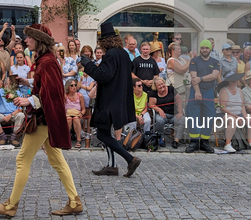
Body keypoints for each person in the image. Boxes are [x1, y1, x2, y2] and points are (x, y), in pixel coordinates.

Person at [0, 24, 83, 217]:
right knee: (57, 160)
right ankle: (74, 201)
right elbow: (46, 84)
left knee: (22, 159)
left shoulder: (46, 61)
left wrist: (28, 99)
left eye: (29, 37)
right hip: (45, 117)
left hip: (42, 118)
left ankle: (10, 206)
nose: (26, 41)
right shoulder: (45, 60)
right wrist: (27, 82)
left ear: (39, 40)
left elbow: (53, 92)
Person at [80, 23, 141, 178]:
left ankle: (130, 159)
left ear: (104, 41)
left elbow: (103, 76)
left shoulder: (111, 55)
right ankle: (112, 166)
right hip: (119, 100)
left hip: (109, 101)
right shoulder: (123, 54)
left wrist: (88, 64)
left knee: (102, 134)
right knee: (105, 133)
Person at [185, 40, 220, 154]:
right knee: (193, 117)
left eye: (207, 48)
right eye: (203, 48)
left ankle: (204, 142)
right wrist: (197, 91)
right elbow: (194, 77)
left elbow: (215, 75)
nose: (204, 50)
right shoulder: (194, 61)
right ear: (200, 49)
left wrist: (201, 78)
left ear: (210, 49)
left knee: (208, 117)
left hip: (209, 91)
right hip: (195, 91)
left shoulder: (215, 62)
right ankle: (194, 142)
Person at [217, 72, 251, 152]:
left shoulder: (239, 90)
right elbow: (222, 108)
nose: (237, 81)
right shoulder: (224, 90)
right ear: (230, 81)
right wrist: (236, 116)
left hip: (238, 114)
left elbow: (242, 105)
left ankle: (250, 142)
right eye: (234, 79)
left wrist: (244, 115)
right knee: (232, 120)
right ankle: (227, 144)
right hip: (225, 114)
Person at [149, 76, 185, 149]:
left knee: (183, 120)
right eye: (159, 85)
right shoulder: (153, 93)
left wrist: (180, 112)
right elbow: (151, 105)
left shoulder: (171, 89)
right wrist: (159, 109)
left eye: (162, 83)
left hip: (173, 114)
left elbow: (179, 101)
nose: (162, 86)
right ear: (155, 87)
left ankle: (176, 140)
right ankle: (161, 138)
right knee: (159, 120)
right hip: (162, 114)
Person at [0, 78, 25, 147]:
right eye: (9, 83)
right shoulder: (1, 91)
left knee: (21, 115)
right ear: (5, 85)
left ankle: (13, 138)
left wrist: (10, 115)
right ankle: (3, 137)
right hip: (1, 113)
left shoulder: (17, 92)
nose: (11, 84)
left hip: (14, 114)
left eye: (12, 83)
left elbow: (20, 109)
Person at [64, 79, 86, 149]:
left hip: (77, 115)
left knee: (76, 119)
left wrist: (81, 114)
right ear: (68, 87)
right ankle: (66, 139)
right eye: (72, 85)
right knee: (69, 119)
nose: (74, 87)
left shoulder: (80, 95)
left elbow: (83, 109)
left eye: (75, 85)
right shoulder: (65, 96)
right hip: (68, 114)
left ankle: (78, 140)